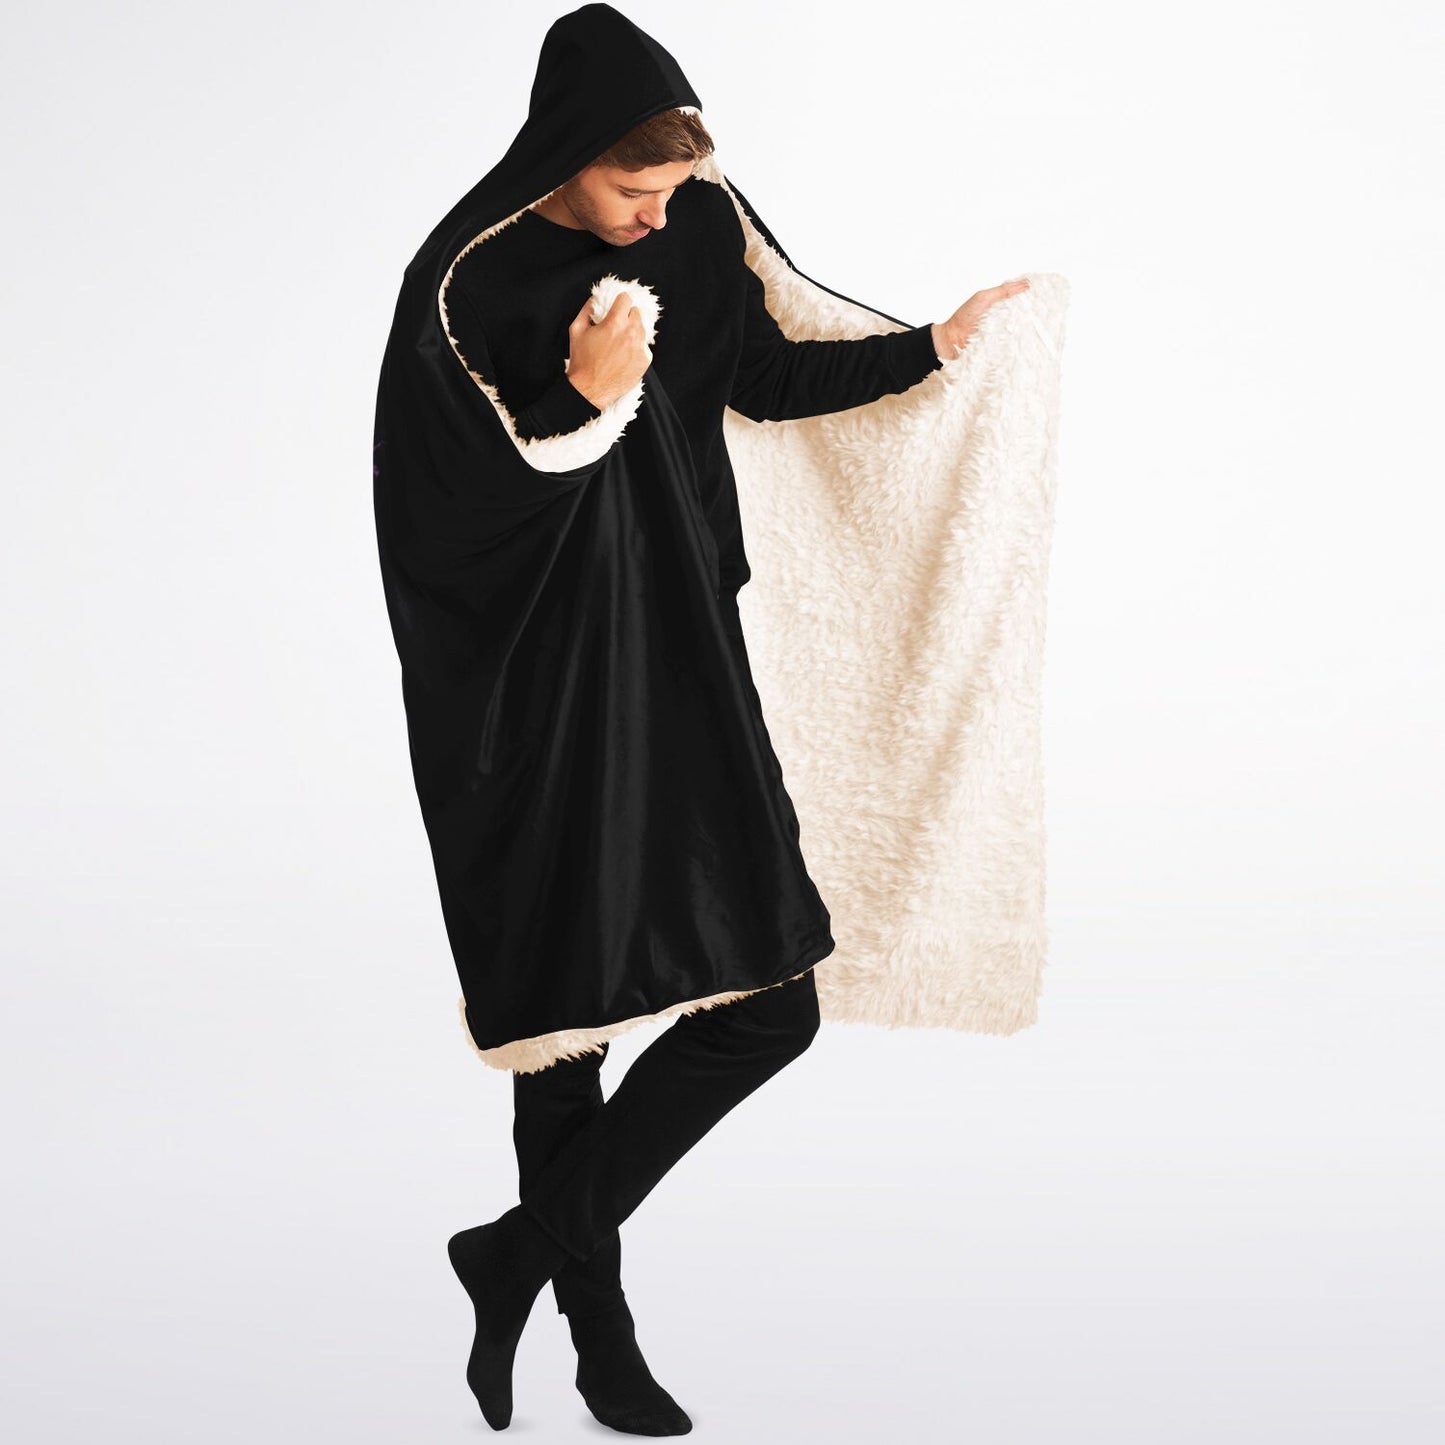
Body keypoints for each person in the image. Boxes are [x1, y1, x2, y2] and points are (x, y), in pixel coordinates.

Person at [373, 4, 1028, 1434]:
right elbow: (441, 517)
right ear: (562, 156)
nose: (657, 216)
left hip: (680, 654)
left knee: (772, 1004)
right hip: (535, 692)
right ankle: (597, 1336)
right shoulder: (467, 278)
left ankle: (515, 1253)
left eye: (675, 188)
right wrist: (579, 399)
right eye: (634, 189)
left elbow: (762, 376)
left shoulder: (697, 223)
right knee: (568, 1023)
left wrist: (930, 346)